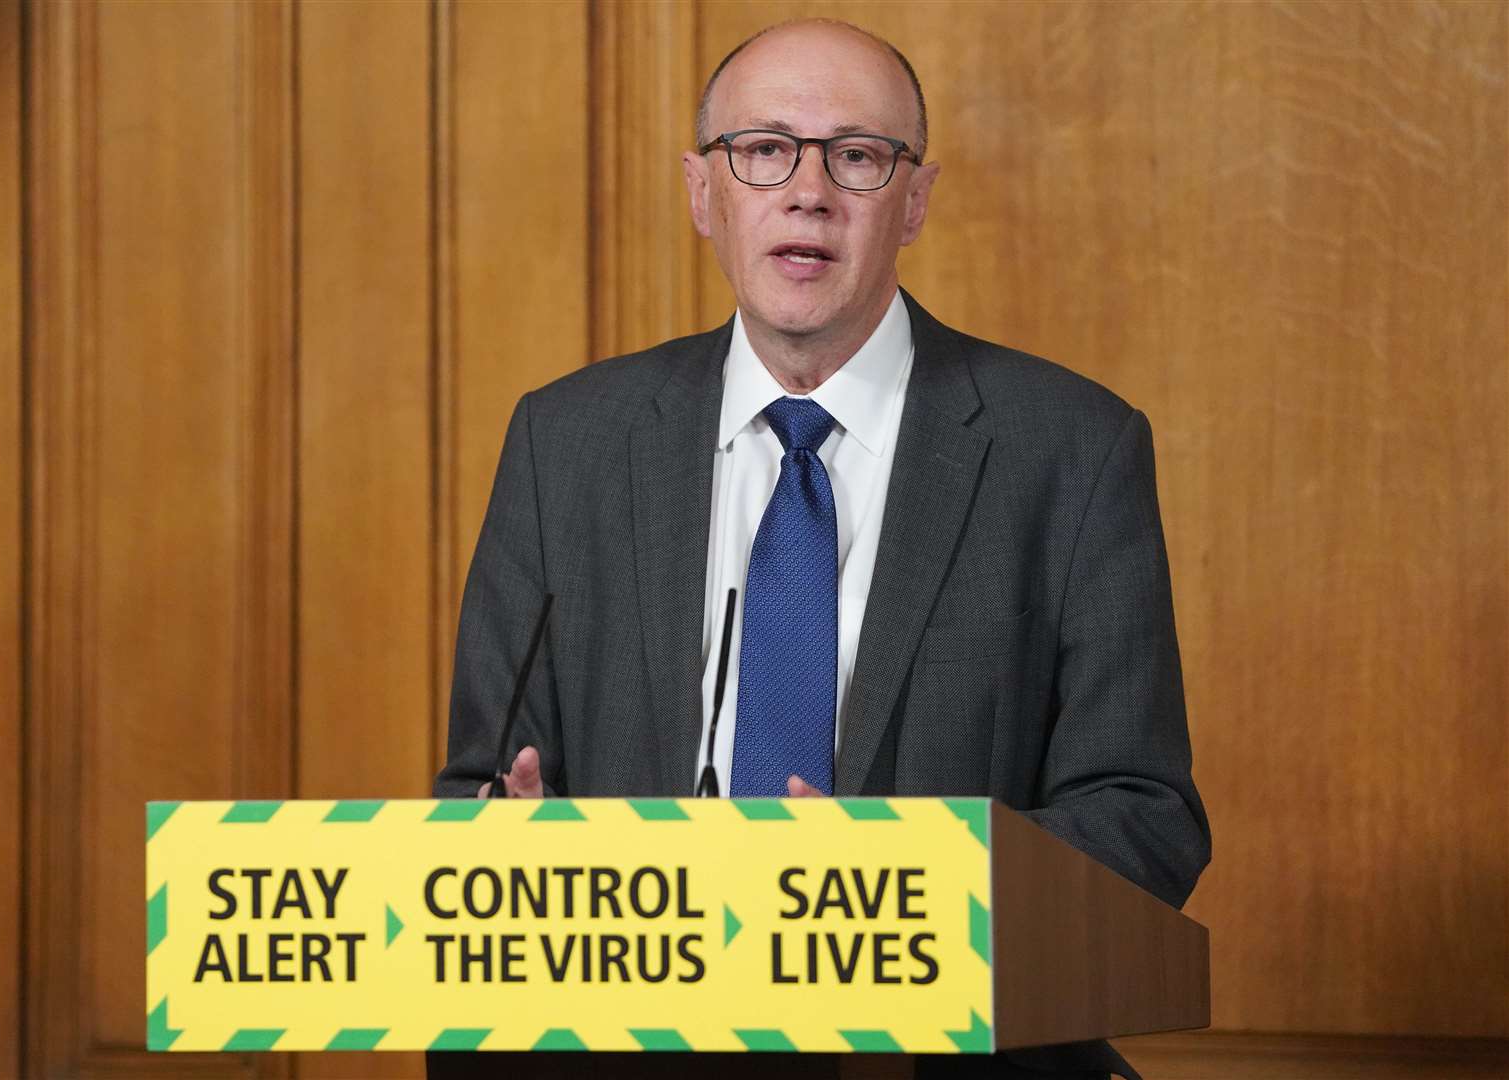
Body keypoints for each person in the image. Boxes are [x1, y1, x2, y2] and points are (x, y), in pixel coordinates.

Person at [434, 19, 1209, 1080]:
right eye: (762, 150)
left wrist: (901, 886)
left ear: (915, 200)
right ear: (704, 194)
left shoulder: (1069, 450)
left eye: (855, 155)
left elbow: (1144, 826)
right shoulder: (564, 442)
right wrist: (501, 848)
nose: (807, 191)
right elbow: (480, 790)